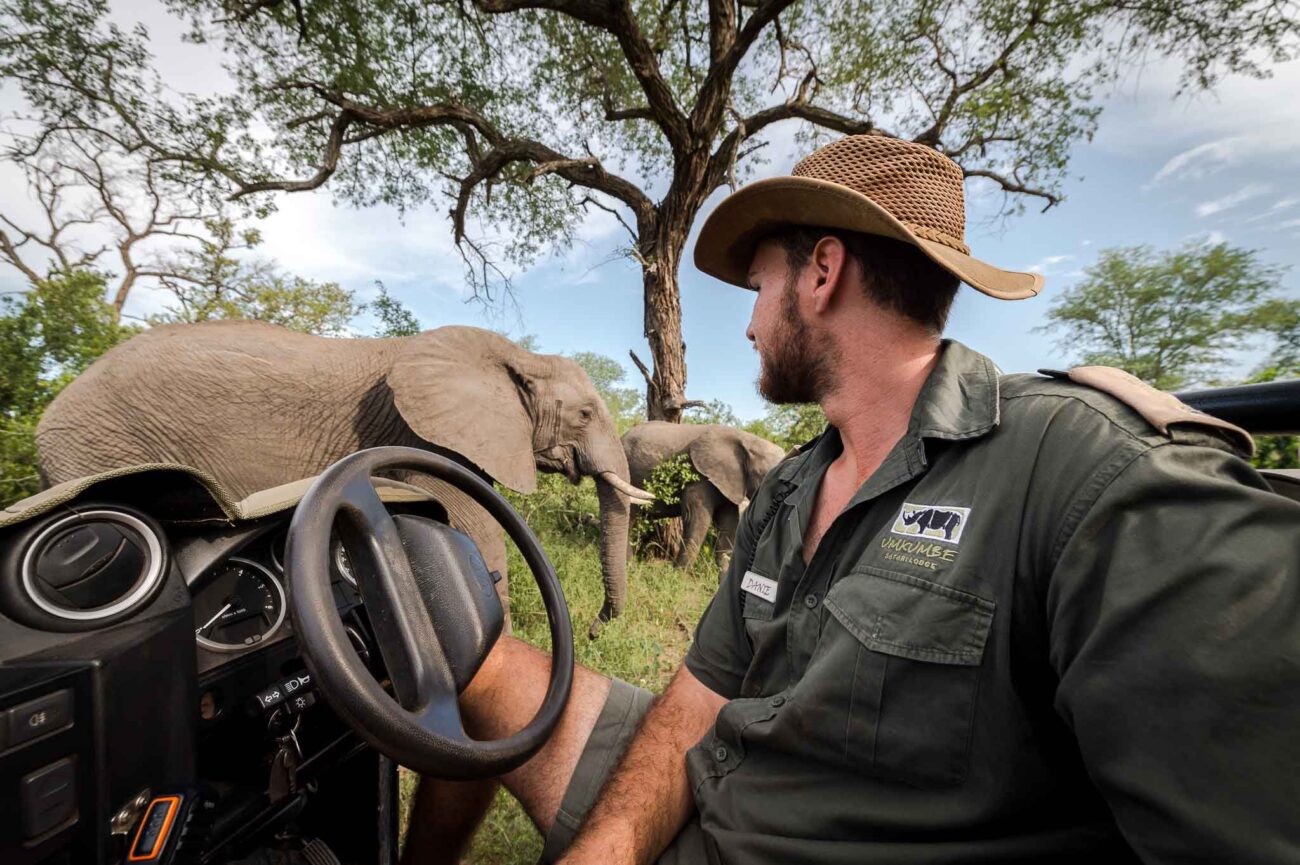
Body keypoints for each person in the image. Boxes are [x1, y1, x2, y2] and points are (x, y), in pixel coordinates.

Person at [403, 135, 1300, 864]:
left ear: (821, 273)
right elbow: (698, 699)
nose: (751, 323)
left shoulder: (1085, 472)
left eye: (758, 289)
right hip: (716, 783)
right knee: (483, 666)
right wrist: (606, 849)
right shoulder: (791, 482)